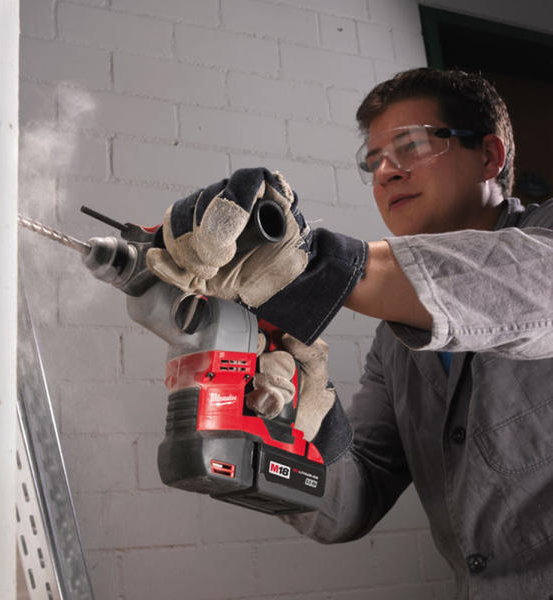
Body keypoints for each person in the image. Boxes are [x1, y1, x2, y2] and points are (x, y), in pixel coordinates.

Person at [146, 68, 553, 599]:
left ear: (489, 156)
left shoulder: (542, 244)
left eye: (410, 146)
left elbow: (530, 284)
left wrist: (312, 265)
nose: (386, 173)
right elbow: (348, 504)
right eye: (373, 161)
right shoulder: (394, 345)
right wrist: (297, 421)